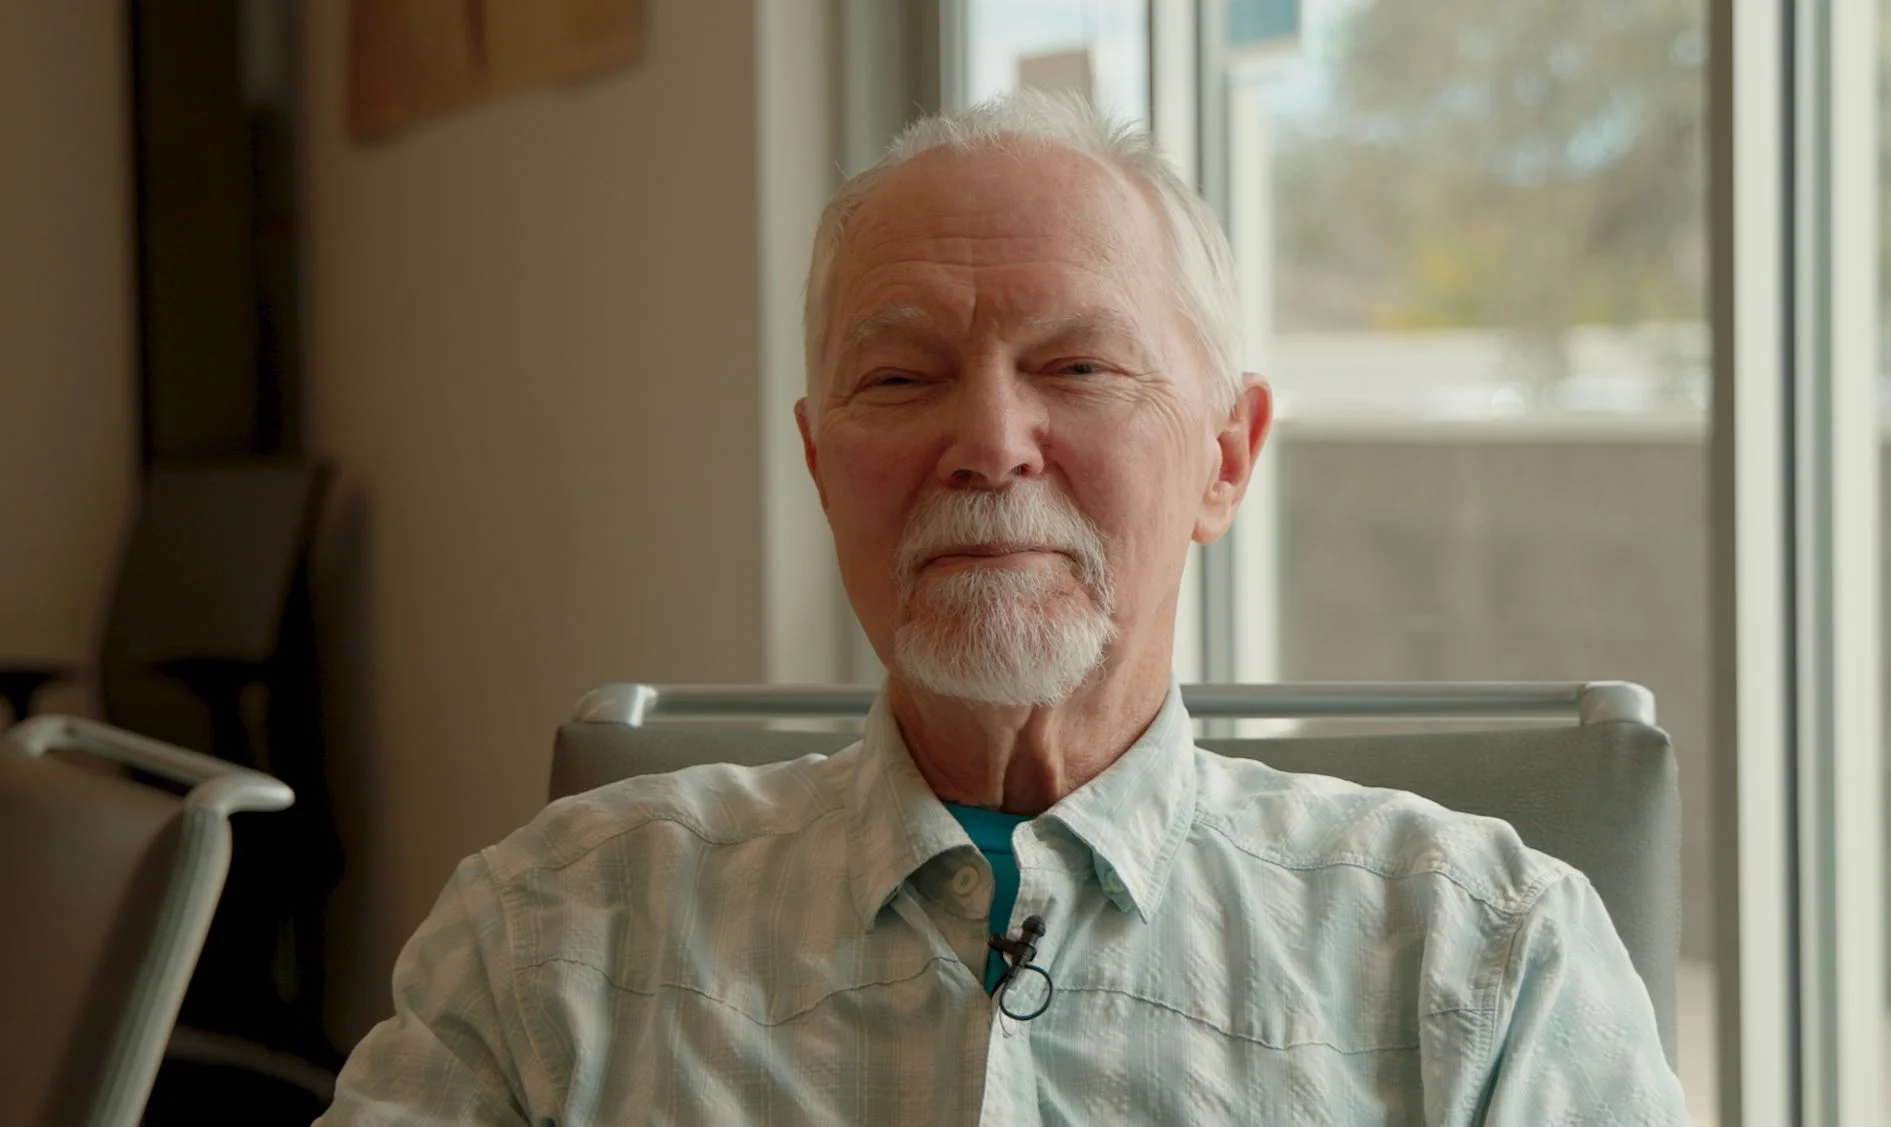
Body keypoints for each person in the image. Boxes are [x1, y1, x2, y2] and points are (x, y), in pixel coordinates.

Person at [319, 90, 1687, 1124]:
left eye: (1079, 366)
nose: (986, 441)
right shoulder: (552, 933)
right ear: (817, 459)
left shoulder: (1481, 956)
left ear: (1224, 455)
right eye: (900, 379)